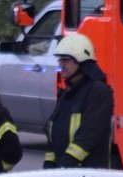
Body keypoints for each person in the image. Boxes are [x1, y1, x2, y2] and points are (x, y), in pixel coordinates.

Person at [44, 34, 115, 169]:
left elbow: (89, 135)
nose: (60, 64)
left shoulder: (99, 92)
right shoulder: (67, 92)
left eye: (65, 60)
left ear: (81, 61)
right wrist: (49, 164)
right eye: (60, 60)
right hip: (66, 174)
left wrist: (65, 165)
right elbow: (56, 132)